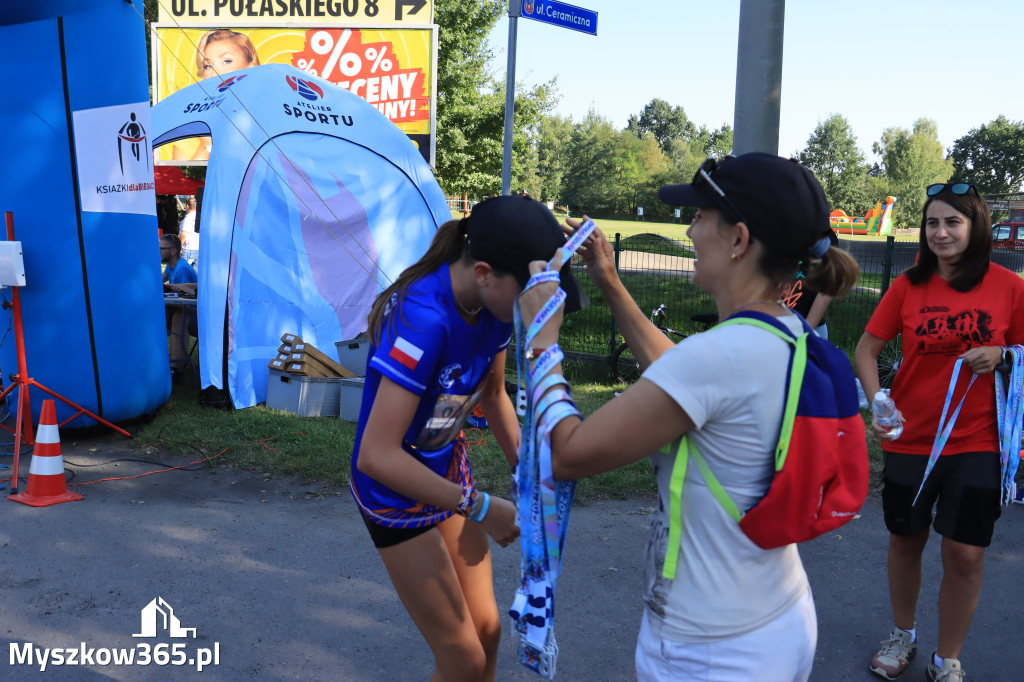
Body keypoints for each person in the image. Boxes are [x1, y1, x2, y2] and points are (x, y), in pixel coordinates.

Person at [517, 153, 860, 681]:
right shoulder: (784, 330)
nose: (691, 228)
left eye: (699, 216)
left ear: (739, 239)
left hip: (710, 650)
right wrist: (609, 280)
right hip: (778, 615)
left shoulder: (718, 358)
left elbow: (566, 454)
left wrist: (543, 339)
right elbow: (679, 376)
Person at [349, 195, 587, 681]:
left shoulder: (497, 309)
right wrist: (477, 506)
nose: (535, 309)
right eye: (530, 293)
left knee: (488, 634)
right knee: (463, 660)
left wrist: (531, 475)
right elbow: (376, 455)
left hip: (445, 468)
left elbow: (494, 395)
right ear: (483, 273)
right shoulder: (424, 317)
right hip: (395, 491)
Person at [854, 182, 1024, 682]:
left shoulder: (1008, 287)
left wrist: (1004, 355)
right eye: (932, 223)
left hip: (979, 441)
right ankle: (902, 635)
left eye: (953, 222)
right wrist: (878, 401)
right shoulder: (908, 286)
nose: (941, 232)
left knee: (966, 552)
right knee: (906, 539)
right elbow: (866, 350)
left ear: (975, 228)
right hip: (912, 438)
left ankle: (947, 657)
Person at [171, 29, 260, 161]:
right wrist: (206, 144)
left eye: (226, 61)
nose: (215, 73)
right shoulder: (188, 133)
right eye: (208, 66)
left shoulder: (272, 118)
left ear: (251, 65)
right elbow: (180, 178)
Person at [781, 228, 840, 338]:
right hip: (772, 326)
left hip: (809, 329)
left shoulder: (824, 237)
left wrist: (807, 332)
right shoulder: (773, 227)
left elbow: (827, 289)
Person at [161, 234, 198, 373]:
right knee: (160, 313)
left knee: (177, 315)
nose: (158, 251)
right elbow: (161, 280)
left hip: (192, 313)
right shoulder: (172, 266)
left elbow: (183, 300)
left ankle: (175, 367)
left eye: (161, 249)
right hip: (185, 310)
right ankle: (167, 361)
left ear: (173, 251)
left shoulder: (181, 269)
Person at [178, 196, 199, 266]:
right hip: (198, 248)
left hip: (188, 249)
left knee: (183, 271)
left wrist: (179, 246)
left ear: (187, 206)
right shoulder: (200, 216)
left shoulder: (188, 217)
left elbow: (184, 234)